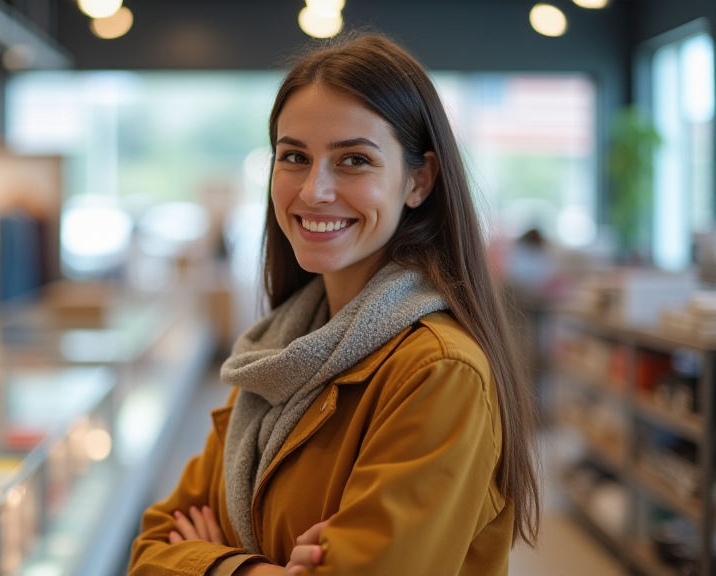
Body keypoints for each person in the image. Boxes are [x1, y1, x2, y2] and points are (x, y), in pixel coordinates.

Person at [128, 32, 540, 575]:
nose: (314, 190)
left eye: (353, 160)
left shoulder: (440, 372)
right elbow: (152, 548)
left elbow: (175, 556)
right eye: (294, 156)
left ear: (419, 180)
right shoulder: (279, 354)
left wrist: (209, 560)